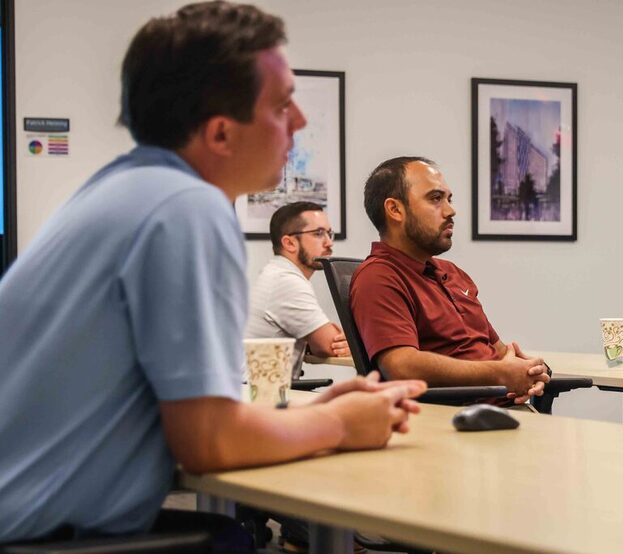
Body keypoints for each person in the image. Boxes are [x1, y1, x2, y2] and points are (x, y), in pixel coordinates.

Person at [0, 2, 424, 547]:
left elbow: (188, 419)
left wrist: (313, 413)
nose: (298, 120)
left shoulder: (120, 189)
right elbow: (208, 442)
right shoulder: (186, 208)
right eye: (281, 105)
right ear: (221, 134)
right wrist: (342, 427)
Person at [351, 156, 550, 406]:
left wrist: (529, 371)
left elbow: (499, 352)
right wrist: (501, 373)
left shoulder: (452, 273)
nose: (450, 210)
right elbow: (401, 367)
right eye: (435, 199)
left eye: (449, 199)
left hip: (504, 412)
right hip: (459, 424)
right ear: (395, 210)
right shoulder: (378, 277)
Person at [246, 201, 350, 377]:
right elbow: (329, 345)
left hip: (259, 389)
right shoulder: (285, 281)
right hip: (257, 394)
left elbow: (322, 343)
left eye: (329, 233)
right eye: (318, 234)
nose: (329, 243)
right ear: (289, 243)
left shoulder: (279, 273)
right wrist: (341, 340)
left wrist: (317, 341)